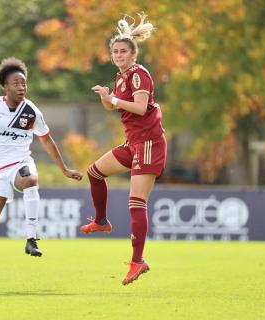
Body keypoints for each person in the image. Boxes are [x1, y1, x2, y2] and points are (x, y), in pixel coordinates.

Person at [0, 57, 83, 292]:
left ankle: (31, 238)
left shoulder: (31, 111)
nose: (22, 87)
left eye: (24, 83)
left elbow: (47, 141)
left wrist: (64, 169)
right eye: (16, 83)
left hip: (20, 163)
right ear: (5, 86)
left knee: (30, 179)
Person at [80, 13, 167, 286]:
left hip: (149, 144)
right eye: (114, 51)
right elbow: (115, 106)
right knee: (94, 172)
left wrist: (114, 99)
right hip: (133, 144)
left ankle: (138, 261)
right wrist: (107, 99)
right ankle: (102, 220)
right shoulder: (120, 78)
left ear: (133, 54)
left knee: (136, 203)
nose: (118, 55)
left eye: (123, 51)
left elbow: (140, 108)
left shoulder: (139, 74)